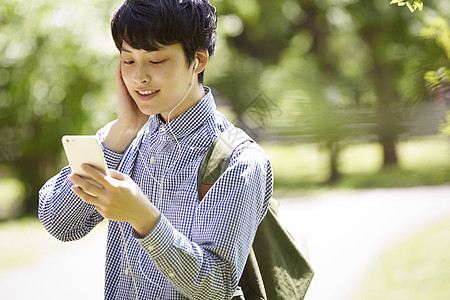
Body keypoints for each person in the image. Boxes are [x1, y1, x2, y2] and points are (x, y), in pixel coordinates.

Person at [38, 0, 273, 299]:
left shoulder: (238, 160)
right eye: (128, 60)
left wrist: (145, 219)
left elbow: (217, 285)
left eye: (156, 61)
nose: (139, 78)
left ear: (198, 60)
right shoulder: (123, 139)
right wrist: (122, 131)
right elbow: (59, 223)